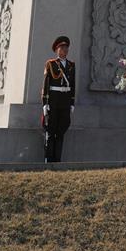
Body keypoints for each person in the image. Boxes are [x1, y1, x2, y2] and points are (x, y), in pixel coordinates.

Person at [42, 35, 75, 163]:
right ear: (57, 50)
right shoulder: (50, 64)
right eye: (62, 48)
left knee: (61, 131)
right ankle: (49, 160)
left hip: (65, 102)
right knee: (51, 131)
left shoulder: (72, 65)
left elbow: (72, 85)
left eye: (66, 48)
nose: (65, 50)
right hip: (54, 101)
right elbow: (46, 84)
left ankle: (57, 160)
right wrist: (45, 103)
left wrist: (72, 102)